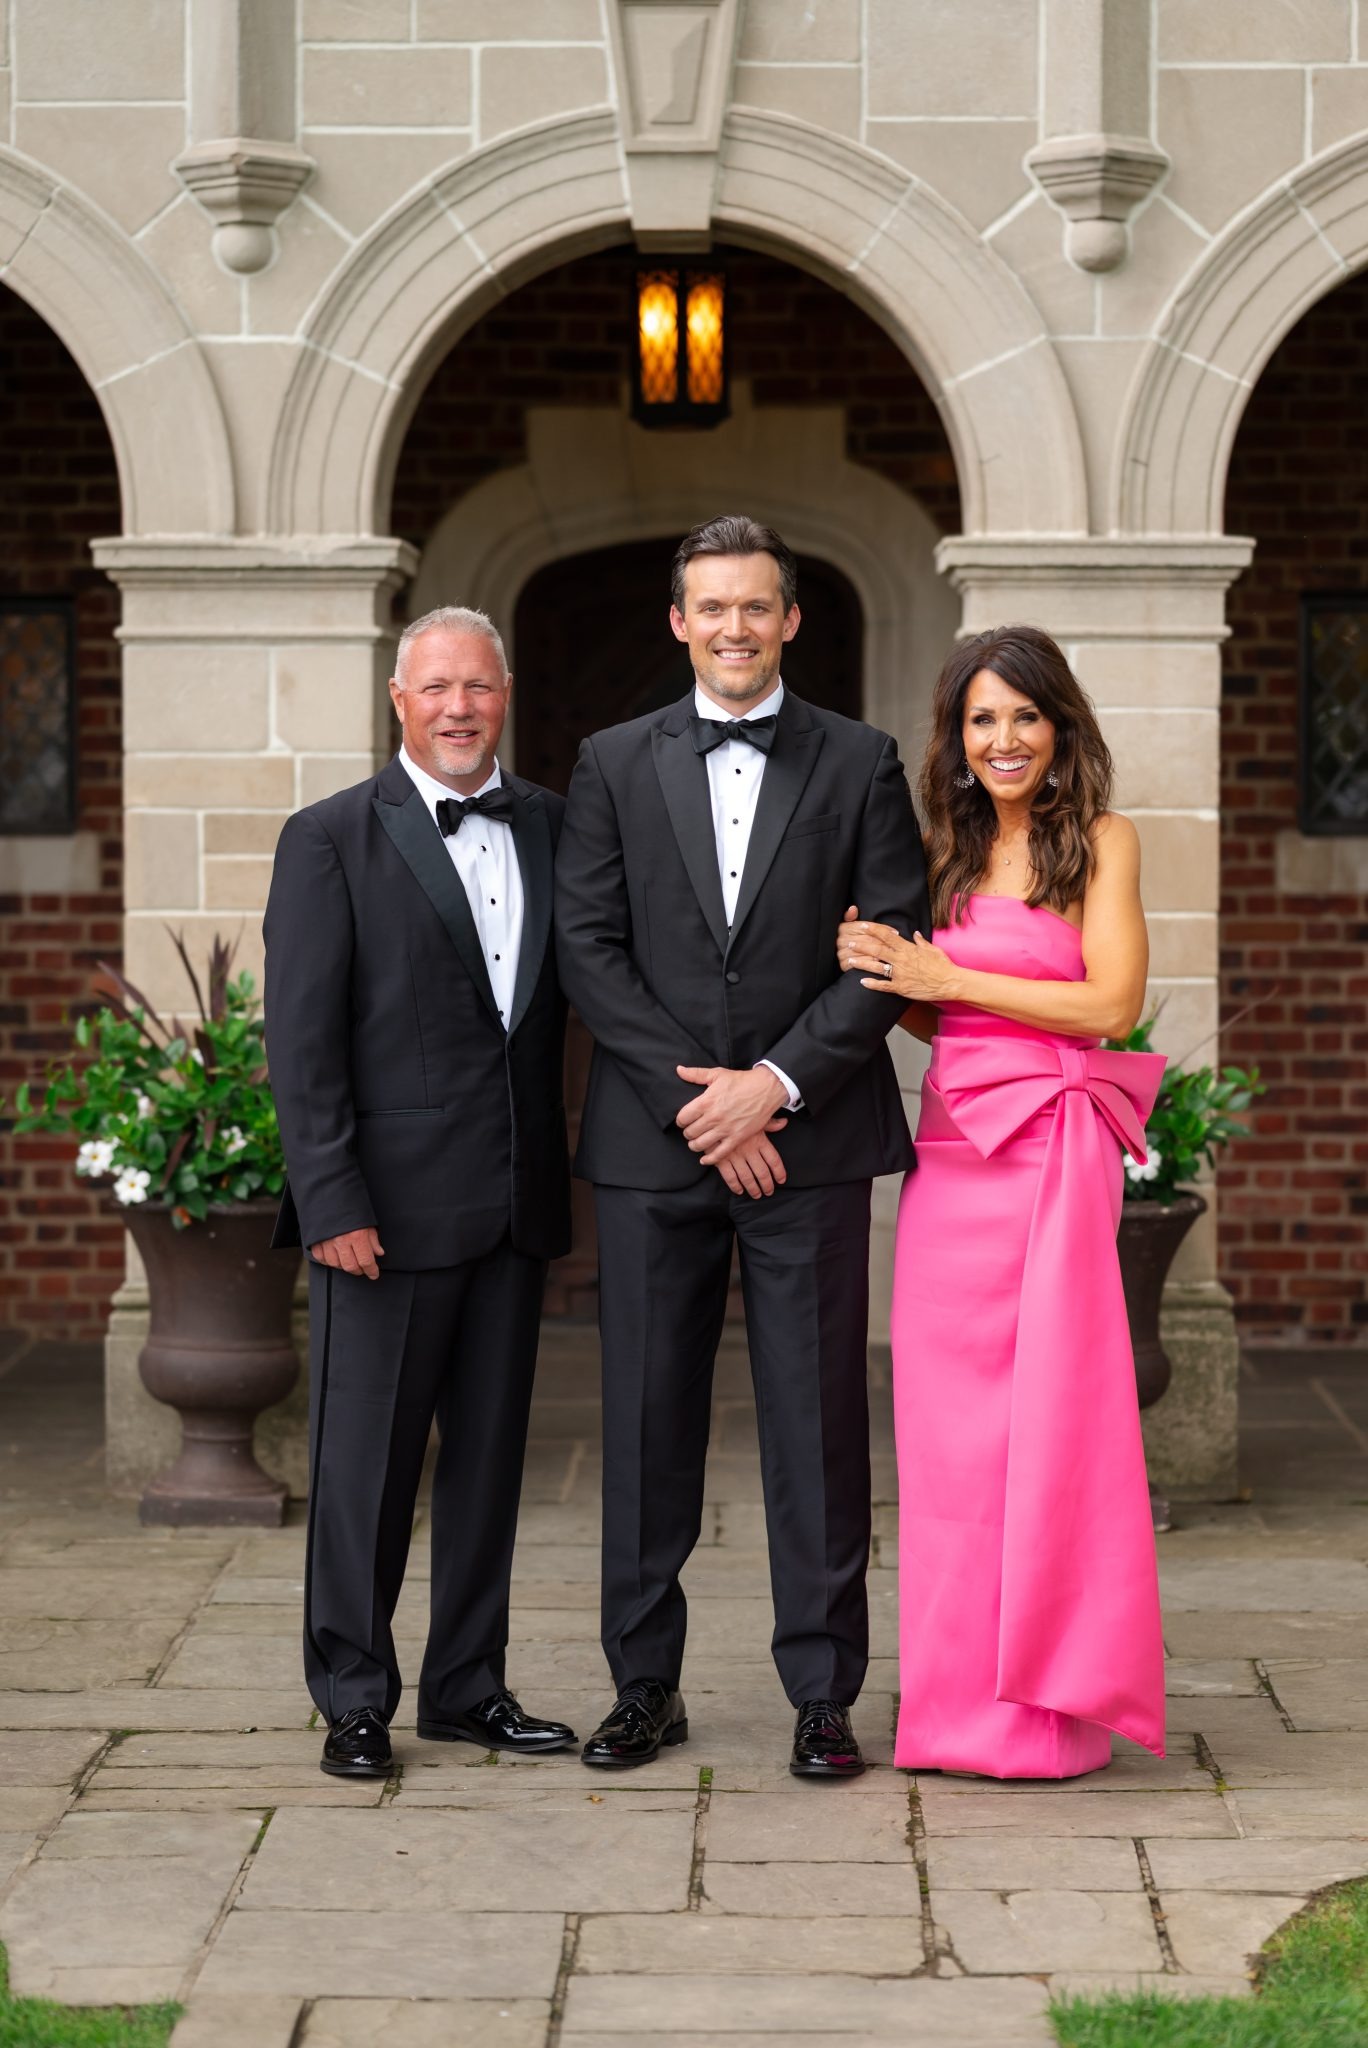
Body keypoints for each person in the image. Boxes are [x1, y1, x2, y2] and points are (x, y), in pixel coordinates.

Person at [555, 514, 929, 1778]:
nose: (733, 626)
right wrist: (700, 1107)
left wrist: (770, 1086)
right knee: (645, 1422)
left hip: (807, 1143)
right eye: (711, 606)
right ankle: (642, 1684)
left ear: (790, 618)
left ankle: (824, 1694)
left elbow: (890, 951)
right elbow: (587, 949)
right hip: (658, 1151)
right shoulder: (609, 759)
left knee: (818, 1427)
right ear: (679, 621)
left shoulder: (861, 758)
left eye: (755, 606)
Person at [836, 624, 1166, 1778]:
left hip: (1050, 1159)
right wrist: (886, 965)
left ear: (1060, 726)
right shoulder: (944, 852)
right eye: (982, 718)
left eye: (1025, 715)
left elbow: (1109, 1005)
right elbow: (945, 1019)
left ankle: (1052, 1704)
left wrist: (944, 973)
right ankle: (952, 1710)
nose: (1005, 738)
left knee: (1051, 1423)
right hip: (954, 1155)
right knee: (948, 1440)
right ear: (957, 737)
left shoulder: (1105, 844)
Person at [263, 605, 576, 1780]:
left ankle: (467, 1685)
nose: (459, 707)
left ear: (505, 695)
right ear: (400, 700)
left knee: (489, 1466)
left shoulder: (551, 823)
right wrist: (332, 1197)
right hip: (379, 1220)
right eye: (437, 687)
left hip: (510, 1206)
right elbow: (301, 1043)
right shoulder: (331, 838)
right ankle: (354, 1695)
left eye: (479, 687)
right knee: (365, 1470)